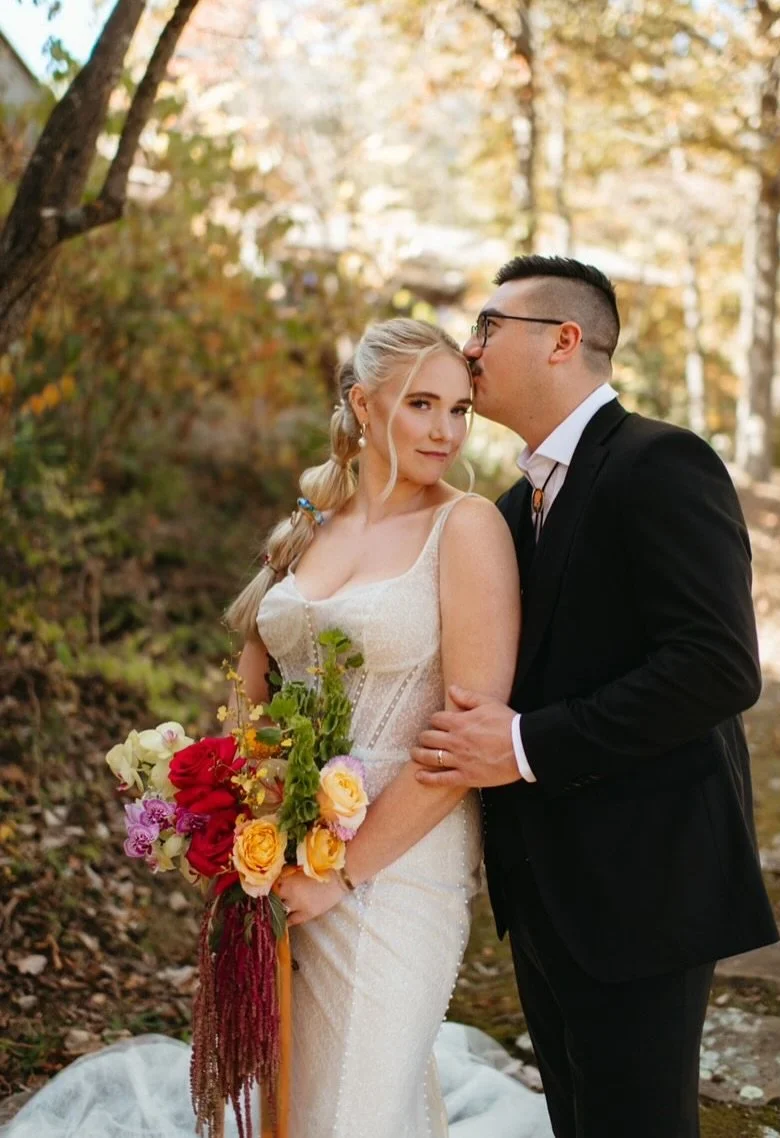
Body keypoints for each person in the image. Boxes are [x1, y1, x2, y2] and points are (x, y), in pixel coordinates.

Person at [1, 318, 554, 1138]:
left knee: (350, 1112)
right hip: (280, 850)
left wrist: (343, 872)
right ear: (363, 406)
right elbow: (254, 706)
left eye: (460, 410)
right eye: (422, 405)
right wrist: (232, 817)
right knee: (280, 1103)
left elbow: (465, 745)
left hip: (400, 861)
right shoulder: (312, 529)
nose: (446, 430)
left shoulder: (466, 528)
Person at [412, 256, 780, 1138]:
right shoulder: (507, 508)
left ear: (564, 341)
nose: (469, 349)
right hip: (546, 891)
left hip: (647, 882)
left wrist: (528, 746)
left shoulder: (662, 463)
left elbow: (718, 664)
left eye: (489, 328)